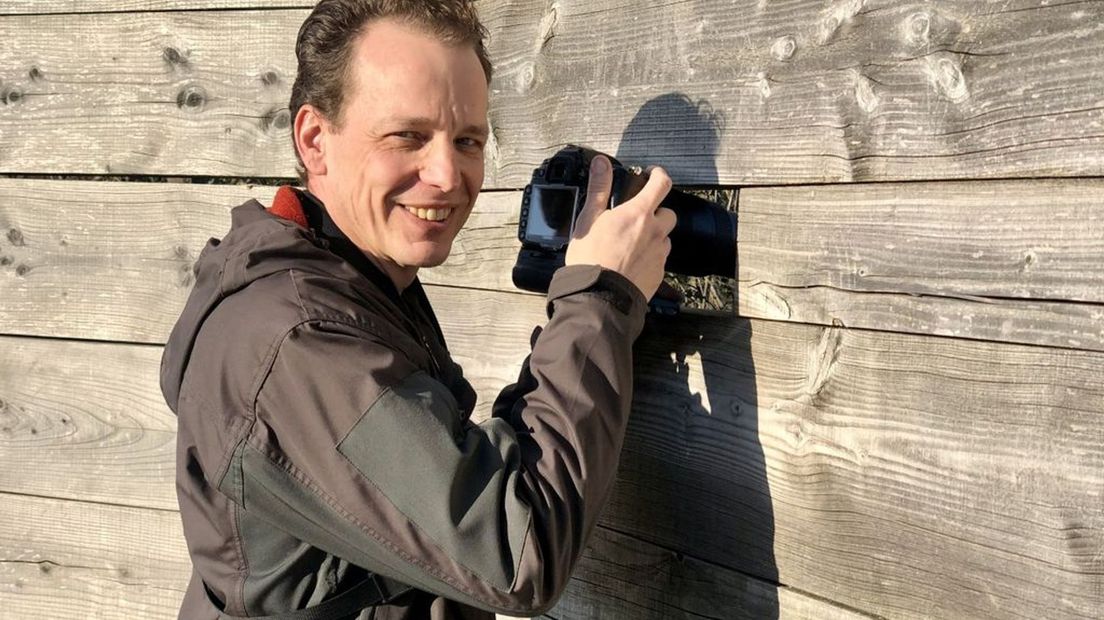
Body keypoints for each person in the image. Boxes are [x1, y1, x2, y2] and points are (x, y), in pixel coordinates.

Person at [159, 1, 676, 618]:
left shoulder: (354, 282)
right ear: (315, 140)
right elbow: (517, 551)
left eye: (468, 141)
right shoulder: (298, 343)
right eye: (408, 136)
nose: (447, 174)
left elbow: (466, 481)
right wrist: (601, 299)